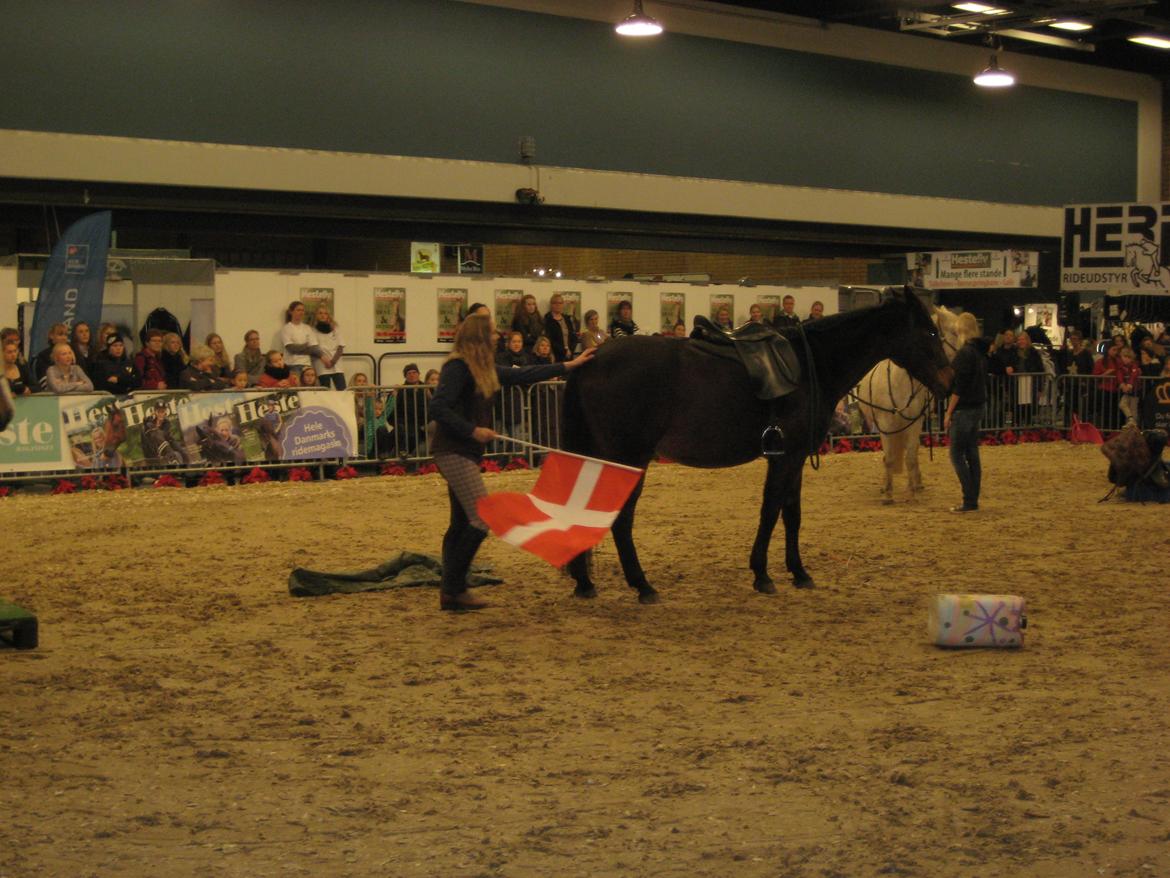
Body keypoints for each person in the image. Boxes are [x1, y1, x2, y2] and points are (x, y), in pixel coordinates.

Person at [428, 313, 594, 611]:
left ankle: (451, 589)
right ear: (480, 337)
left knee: (460, 523)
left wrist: (569, 365)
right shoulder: (458, 367)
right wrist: (472, 429)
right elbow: (437, 406)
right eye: (492, 332)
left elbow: (523, 374)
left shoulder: (484, 368)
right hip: (453, 449)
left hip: (464, 451)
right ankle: (454, 589)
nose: (498, 336)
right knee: (482, 517)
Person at [944, 336, 989, 513]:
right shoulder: (979, 353)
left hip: (964, 410)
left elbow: (959, 387)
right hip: (977, 406)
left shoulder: (964, 354)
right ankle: (973, 498)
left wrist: (948, 412)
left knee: (956, 455)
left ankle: (968, 498)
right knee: (972, 454)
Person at [310, 304, 346, 389]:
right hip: (321, 363)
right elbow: (313, 348)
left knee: (342, 389)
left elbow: (340, 347)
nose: (323, 315)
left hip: (336, 364)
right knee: (325, 390)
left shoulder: (335, 329)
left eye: (325, 313)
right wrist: (324, 360)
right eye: (320, 313)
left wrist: (332, 362)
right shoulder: (312, 330)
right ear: (316, 315)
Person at [280, 301, 317, 376]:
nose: (301, 312)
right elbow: (291, 348)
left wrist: (299, 347)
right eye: (298, 310)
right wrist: (306, 346)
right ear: (291, 312)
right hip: (292, 364)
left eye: (303, 310)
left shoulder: (307, 328)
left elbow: (314, 348)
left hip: (306, 365)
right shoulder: (286, 328)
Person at [542, 293, 578, 362]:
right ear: (551, 305)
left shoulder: (567, 319)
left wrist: (570, 350)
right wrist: (564, 351)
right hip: (555, 355)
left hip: (569, 354)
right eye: (555, 303)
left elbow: (573, 337)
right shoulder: (548, 319)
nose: (558, 305)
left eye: (560, 303)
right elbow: (550, 339)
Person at [32, 322, 70, 387]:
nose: (64, 338)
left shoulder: (73, 353)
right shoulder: (43, 356)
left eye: (66, 335)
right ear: (51, 336)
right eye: (60, 334)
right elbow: (44, 381)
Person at [1116, 346, 1142, 426]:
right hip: (1127, 390)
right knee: (1122, 404)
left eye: (1128, 357)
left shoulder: (1134, 365)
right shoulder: (1121, 366)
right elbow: (1119, 374)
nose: (1125, 359)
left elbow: (1133, 375)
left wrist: (1129, 384)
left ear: (1131, 358)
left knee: (1133, 409)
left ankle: (1133, 426)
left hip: (1135, 390)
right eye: (1124, 357)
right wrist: (1122, 384)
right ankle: (1131, 420)